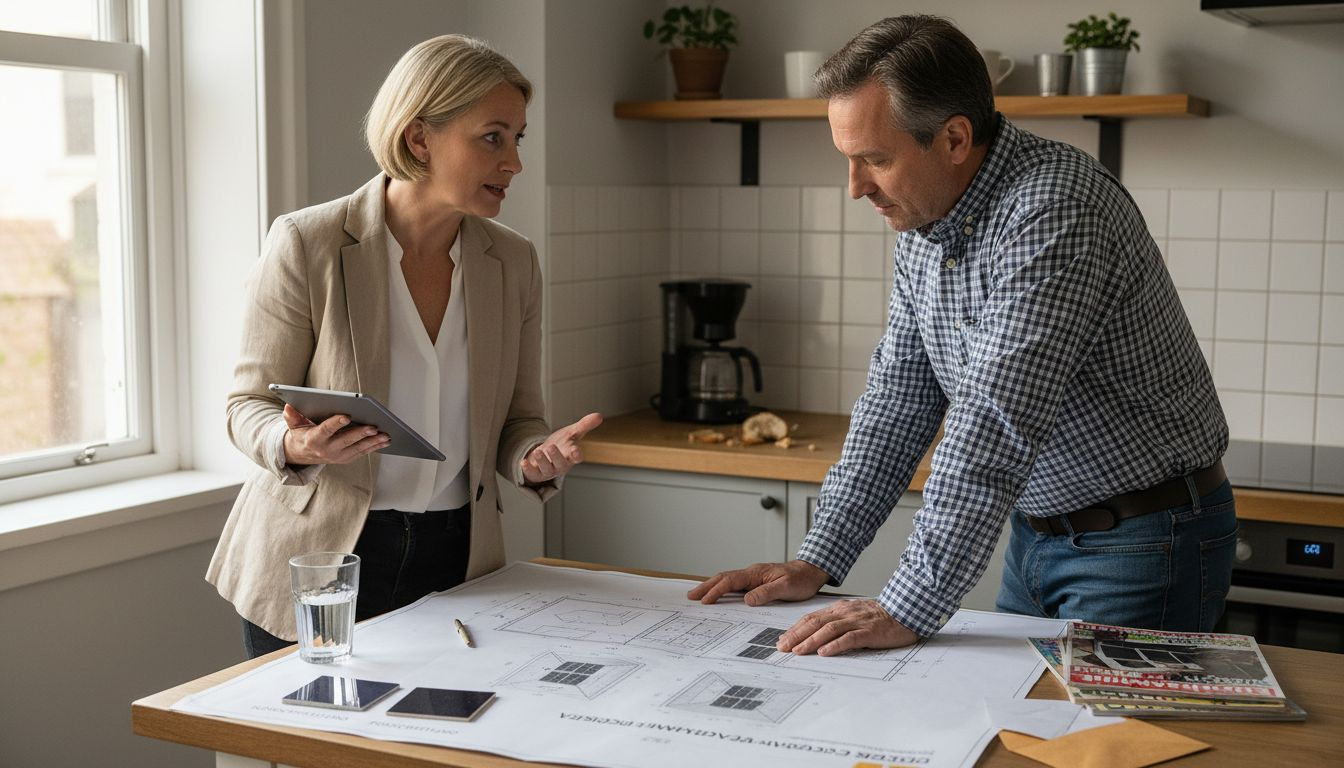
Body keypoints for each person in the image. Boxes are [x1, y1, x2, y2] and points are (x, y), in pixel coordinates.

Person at [690, 15, 1235, 656]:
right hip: (1034, 535)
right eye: (849, 160)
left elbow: (993, 423)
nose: (856, 187)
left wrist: (907, 605)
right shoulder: (925, 219)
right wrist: (817, 559)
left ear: (954, 138)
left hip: (1144, 540)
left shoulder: (1054, 208)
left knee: (1099, 726)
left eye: (876, 160)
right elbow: (898, 402)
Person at [207, 34, 602, 658]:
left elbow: (520, 419)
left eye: (517, 139)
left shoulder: (514, 262)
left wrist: (533, 456)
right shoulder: (307, 243)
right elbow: (246, 405)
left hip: (457, 558)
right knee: (317, 723)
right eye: (492, 137)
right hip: (322, 559)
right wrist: (295, 443)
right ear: (419, 138)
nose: (514, 163)